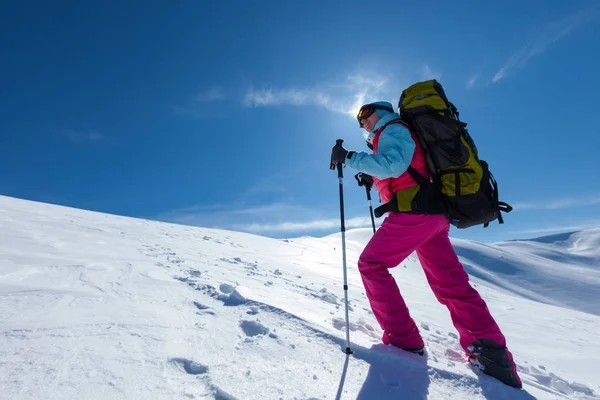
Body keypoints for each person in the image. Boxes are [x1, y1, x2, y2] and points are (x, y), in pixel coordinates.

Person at [330, 101, 522, 389]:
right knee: (451, 283)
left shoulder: (392, 128)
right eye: (359, 121)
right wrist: (371, 176)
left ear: (380, 111)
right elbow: (403, 168)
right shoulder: (398, 133)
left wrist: (350, 157)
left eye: (365, 115)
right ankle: (491, 353)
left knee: (371, 264)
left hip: (414, 214)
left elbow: (394, 165)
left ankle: (403, 341)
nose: (363, 123)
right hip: (432, 217)